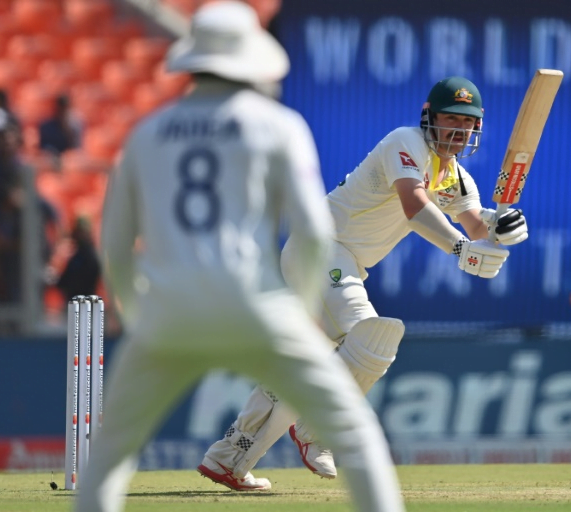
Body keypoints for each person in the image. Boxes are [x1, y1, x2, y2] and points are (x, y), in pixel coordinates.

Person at [73, 3, 405, 512]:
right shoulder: (277, 125)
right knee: (355, 438)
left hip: (170, 311)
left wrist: (140, 317)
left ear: (193, 62)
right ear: (253, 62)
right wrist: (297, 311)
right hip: (256, 306)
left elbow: (115, 244)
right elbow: (315, 232)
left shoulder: (148, 132)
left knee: (108, 457)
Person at [198, 76, 529, 484]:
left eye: (469, 122)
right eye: (452, 119)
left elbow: (477, 225)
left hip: (341, 260)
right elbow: (414, 204)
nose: (460, 129)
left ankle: (228, 458)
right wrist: (460, 249)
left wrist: (502, 226)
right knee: (371, 336)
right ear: (429, 118)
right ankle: (314, 429)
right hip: (321, 246)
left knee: (310, 362)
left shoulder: (455, 177)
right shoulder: (405, 142)